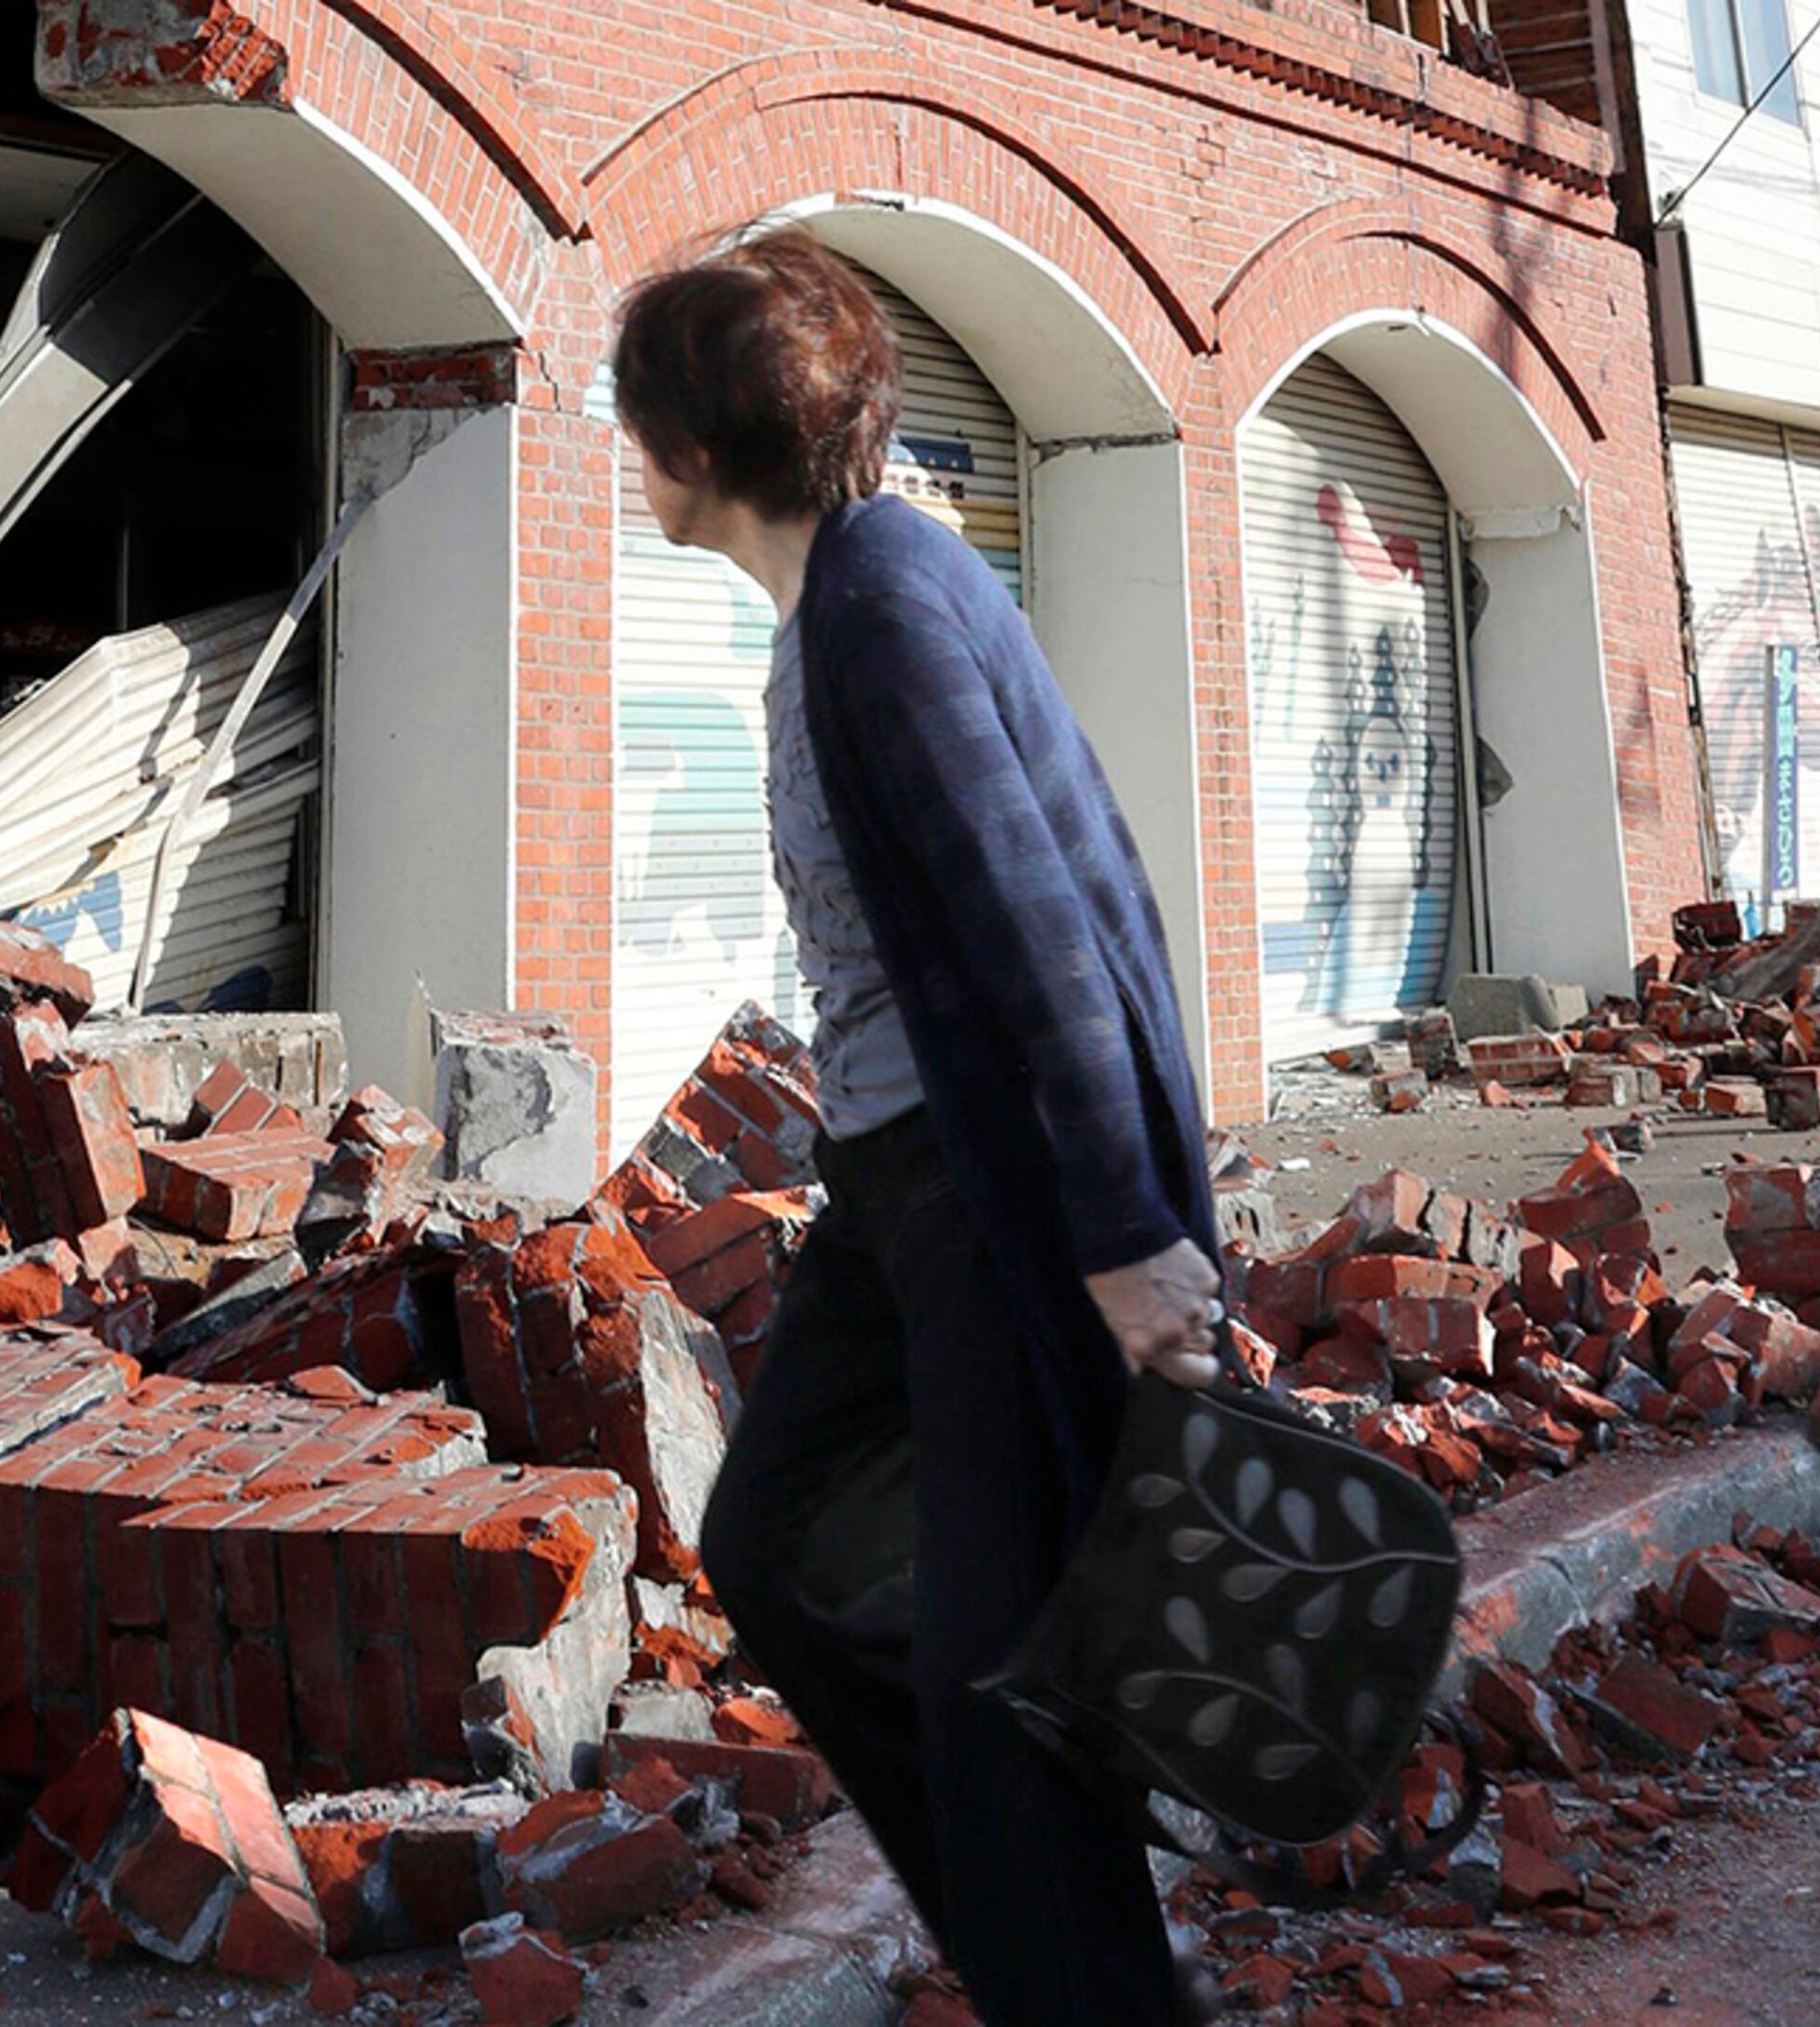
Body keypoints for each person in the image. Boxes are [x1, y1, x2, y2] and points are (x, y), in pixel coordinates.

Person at [615, 225, 1230, 2026]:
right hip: (898, 1189)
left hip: (989, 1200)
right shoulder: (862, 595)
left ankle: (1078, 1968)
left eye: (640, 427)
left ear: (703, 447)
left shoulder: (882, 605)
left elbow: (1044, 925)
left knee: (992, 1679)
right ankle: (1037, 1922)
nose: (631, 460)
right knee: (776, 1555)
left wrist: (1123, 1237)